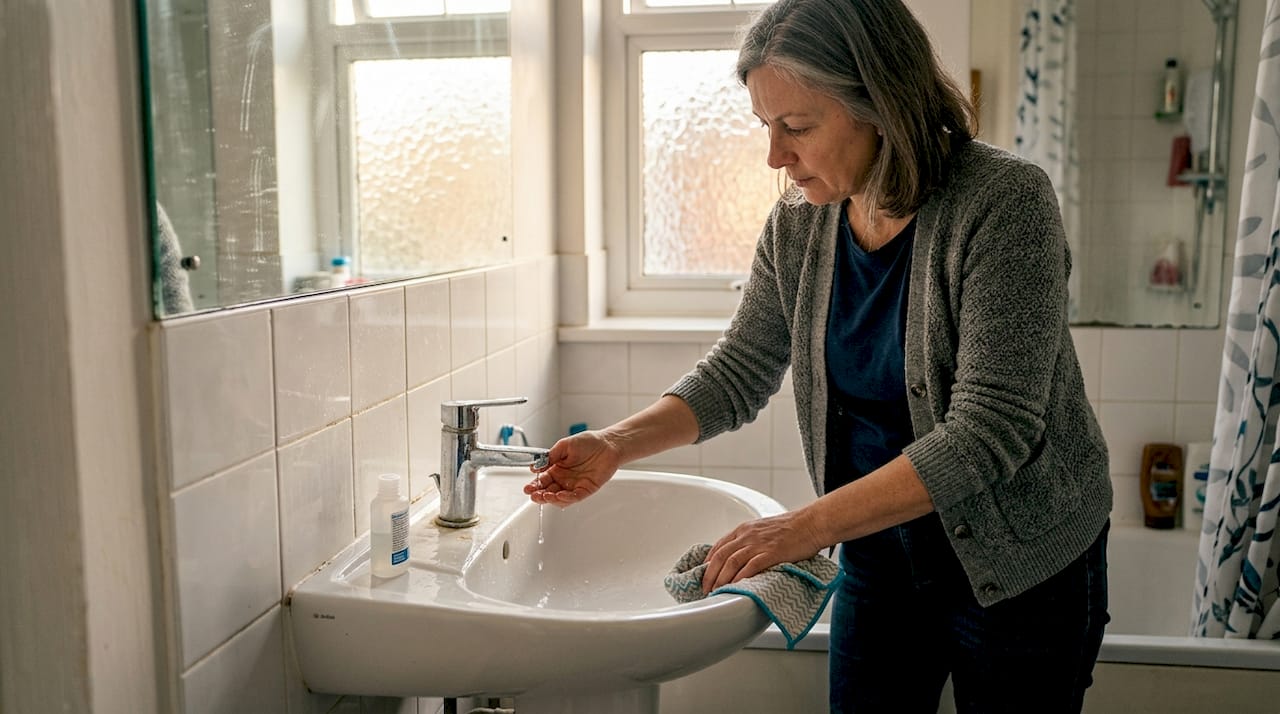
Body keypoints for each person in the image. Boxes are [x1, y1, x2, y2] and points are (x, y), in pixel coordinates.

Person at [525, 0, 1112, 711]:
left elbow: (991, 431)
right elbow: (741, 370)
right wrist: (615, 444)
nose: (775, 155)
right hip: (878, 557)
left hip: (1021, 565)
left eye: (797, 126)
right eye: (765, 127)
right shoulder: (799, 226)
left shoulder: (1004, 203)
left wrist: (799, 528)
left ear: (881, 106)